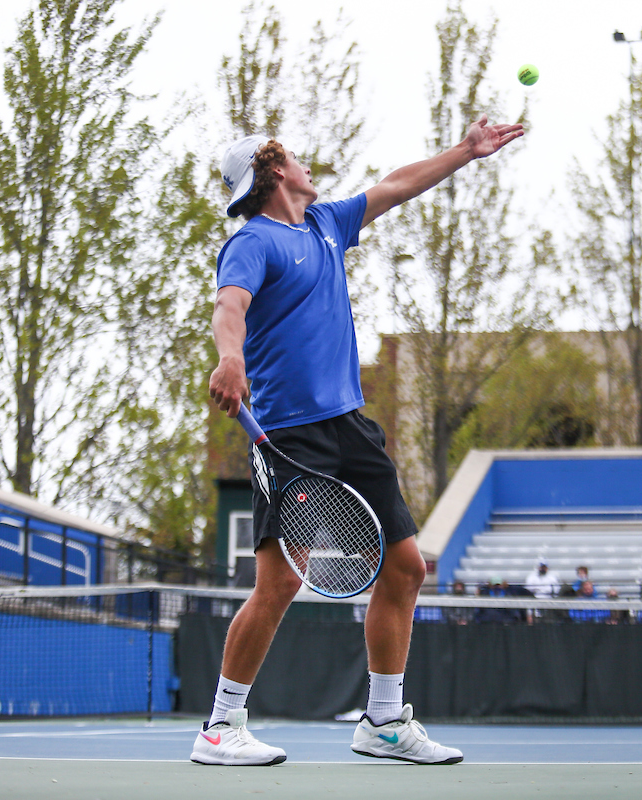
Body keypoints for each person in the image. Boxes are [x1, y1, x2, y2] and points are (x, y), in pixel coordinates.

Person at [197, 117, 523, 767]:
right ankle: (220, 725)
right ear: (273, 172)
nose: (305, 161)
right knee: (279, 583)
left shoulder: (324, 226)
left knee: (407, 567)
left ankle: (383, 722)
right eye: (293, 156)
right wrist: (229, 359)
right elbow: (228, 308)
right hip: (292, 436)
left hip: (352, 426)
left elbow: (397, 185)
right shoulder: (253, 241)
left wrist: (466, 150)